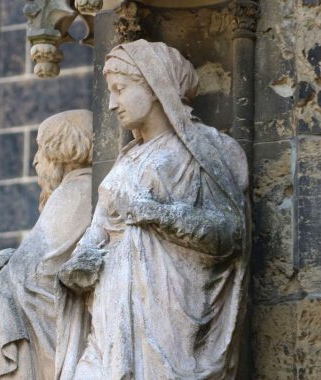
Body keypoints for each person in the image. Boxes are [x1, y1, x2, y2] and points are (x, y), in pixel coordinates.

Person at [56, 40, 250, 380]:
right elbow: (98, 229)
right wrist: (81, 262)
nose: (113, 103)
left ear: (155, 84)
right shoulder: (124, 161)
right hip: (110, 319)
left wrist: (160, 214)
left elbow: (231, 233)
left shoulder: (200, 151)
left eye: (120, 89)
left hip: (168, 319)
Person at [0, 109, 94, 379]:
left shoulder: (77, 192)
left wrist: (13, 266)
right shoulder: (69, 193)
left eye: (41, 149)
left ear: (63, 150)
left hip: (43, 337)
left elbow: (43, 267)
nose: (35, 161)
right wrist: (14, 261)